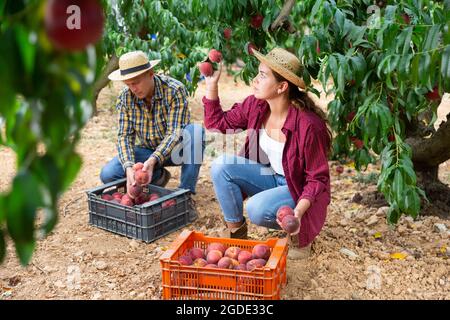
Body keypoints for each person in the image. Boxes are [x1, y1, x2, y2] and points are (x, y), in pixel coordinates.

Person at [202, 47, 331, 259]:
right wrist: (211, 86)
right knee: (221, 166)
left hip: (297, 188)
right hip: (271, 177)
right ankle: (236, 235)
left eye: (262, 75)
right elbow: (218, 124)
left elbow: (317, 179)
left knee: (256, 209)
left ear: (282, 87)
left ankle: (299, 234)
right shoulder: (257, 106)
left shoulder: (308, 126)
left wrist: (298, 213)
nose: (255, 80)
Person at [100, 50, 205, 197]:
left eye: (136, 83)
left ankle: (185, 193)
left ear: (151, 73)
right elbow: (124, 136)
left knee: (196, 132)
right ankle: (158, 176)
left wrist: (153, 160)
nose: (133, 89)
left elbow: (175, 133)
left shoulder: (174, 90)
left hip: (176, 151)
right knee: (108, 174)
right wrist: (129, 167)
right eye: (128, 84)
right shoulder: (125, 97)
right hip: (147, 151)